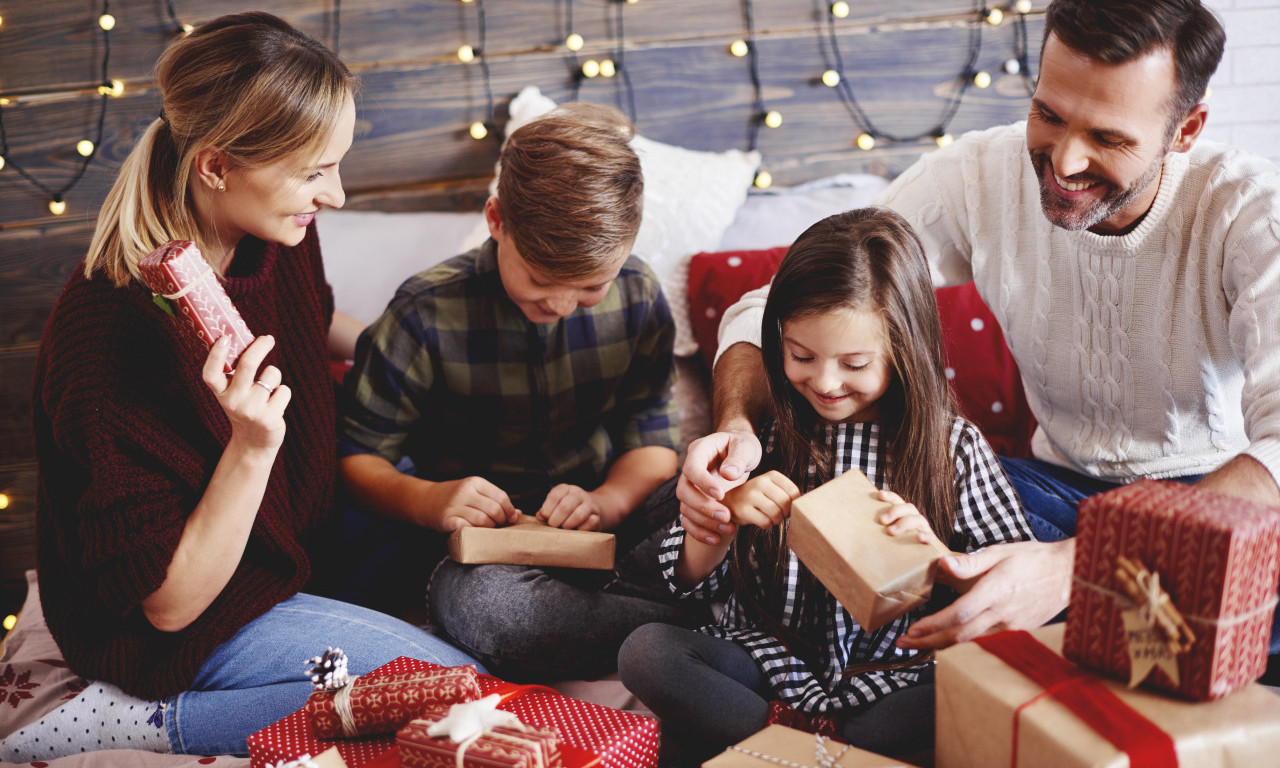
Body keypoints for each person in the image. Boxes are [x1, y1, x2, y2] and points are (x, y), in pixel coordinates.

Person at [679, 0, 1280, 656]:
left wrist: (1076, 567)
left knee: (1224, 610)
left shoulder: (1252, 214)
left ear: (1187, 129)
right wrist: (734, 427)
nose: (1065, 163)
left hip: (1211, 503)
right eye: (1048, 115)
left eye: (1108, 138)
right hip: (1048, 497)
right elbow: (767, 308)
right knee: (855, 505)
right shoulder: (975, 175)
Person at [2, 13, 478, 762]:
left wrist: (419, 356)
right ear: (217, 166)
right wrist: (253, 447)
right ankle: (138, 721)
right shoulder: (110, 344)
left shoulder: (271, 229)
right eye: (316, 173)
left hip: (297, 530)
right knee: (456, 689)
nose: (338, 196)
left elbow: (310, 319)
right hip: (182, 617)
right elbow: (169, 605)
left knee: (478, 542)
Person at [618, 208, 1033, 762]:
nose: (827, 382)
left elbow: (1008, 591)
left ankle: (789, 754)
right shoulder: (760, 440)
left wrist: (939, 559)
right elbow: (690, 586)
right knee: (647, 651)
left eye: (856, 363)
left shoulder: (952, 447)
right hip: (767, 671)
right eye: (802, 357)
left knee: (971, 693)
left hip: (893, 677)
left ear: (904, 351)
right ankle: (811, 753)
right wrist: (719, 523)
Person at [338, 102, 703, 681]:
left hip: (608, 521)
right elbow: (356, 459)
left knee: (732, 494)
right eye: (538, 280)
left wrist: (607, 501)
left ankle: (660, 615)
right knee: (500, 613)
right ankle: (697, 623)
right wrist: (431, 501)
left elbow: (653, 438)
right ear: (496, 219)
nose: (558, 307)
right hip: (477, 554)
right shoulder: (425, 311)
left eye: (588, 287)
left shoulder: (638, 294)